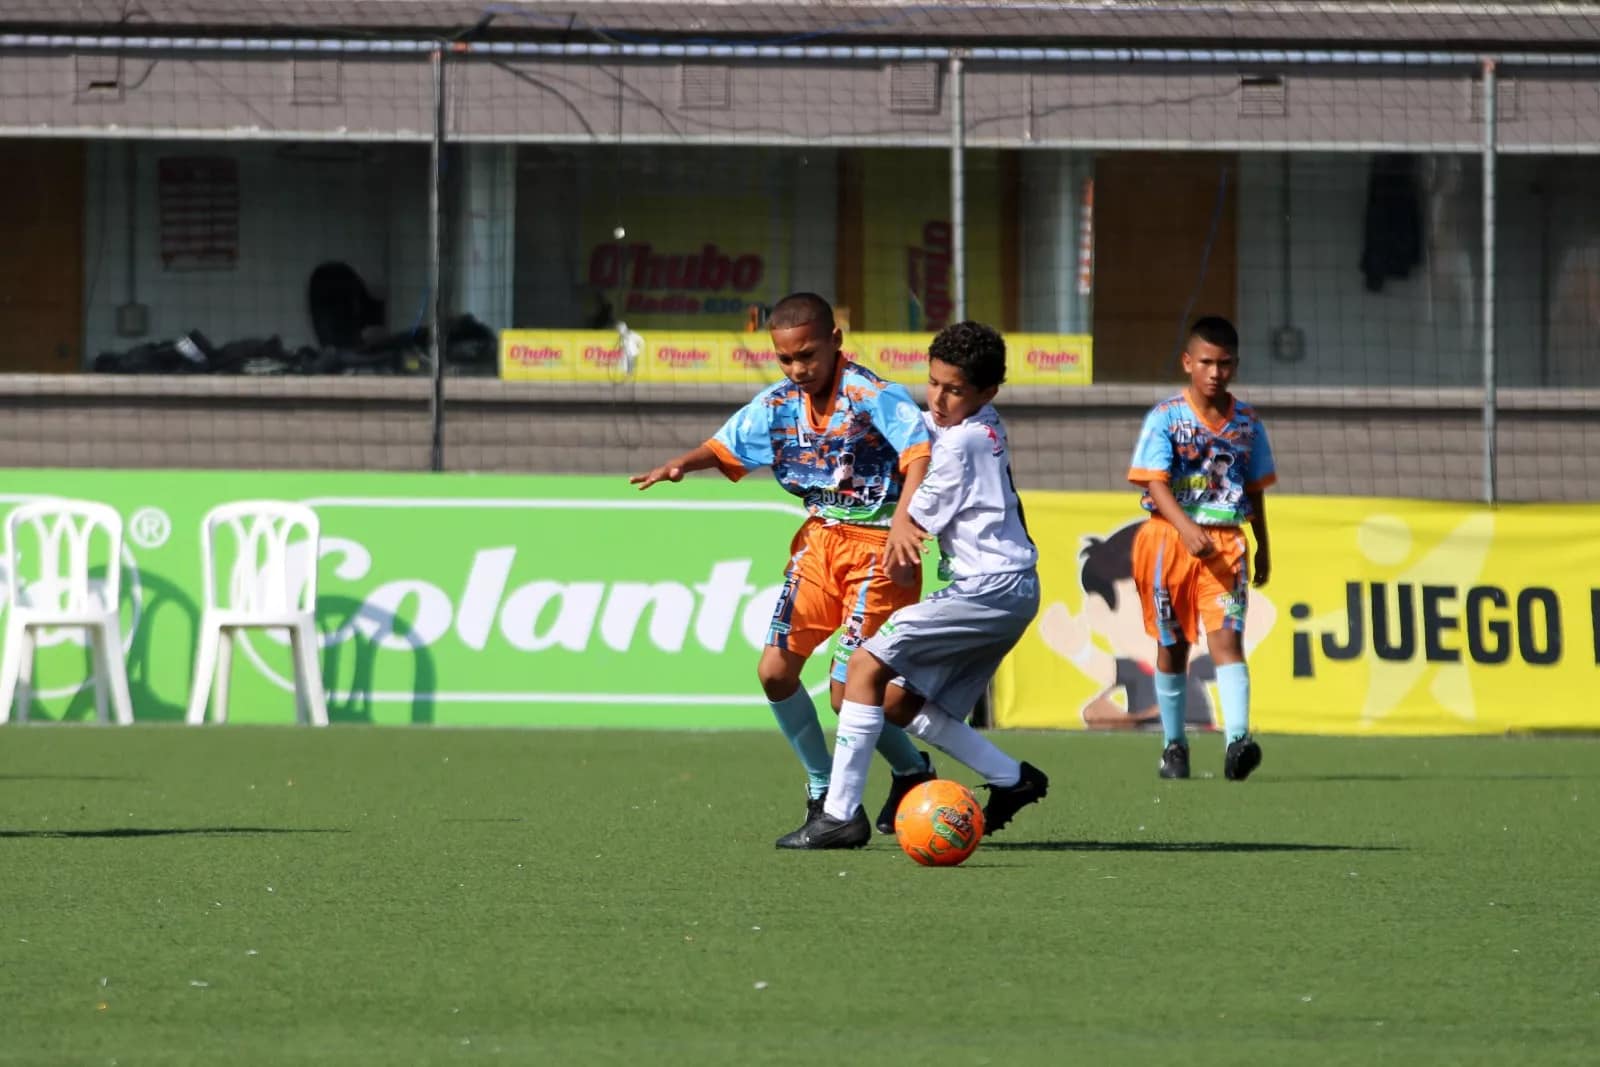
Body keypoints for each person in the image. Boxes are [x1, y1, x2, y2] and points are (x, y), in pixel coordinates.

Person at [631, 292, 939, 843]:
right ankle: (826, 788)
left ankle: (875, 794)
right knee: (774, 672)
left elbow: (919, 451)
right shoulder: (776, 404)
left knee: (849, 695)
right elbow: (726, 446)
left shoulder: (872, 395)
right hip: (820, 543)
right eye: (786, 359)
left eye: (808, 356)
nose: (798, 369)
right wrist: (683, 463)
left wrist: (903, 520)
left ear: (836, 342)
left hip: (879, 549)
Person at [775, 320, 1048, 849]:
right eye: (934, 383)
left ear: (987, 392)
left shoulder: (961, 444)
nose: (940, 398)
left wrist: (891, 522)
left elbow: (912, 522)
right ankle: (1013, 781)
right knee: (898, 703)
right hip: (1007, 589)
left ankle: (839, 814)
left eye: (955, 389)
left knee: (862, 667)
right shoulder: (977, 423)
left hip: (989, 588)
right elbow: (915, 426)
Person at [1126, 315, 1275, 781]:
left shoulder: (1248, 423)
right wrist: (1185, 526)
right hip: (1167, 541)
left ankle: (1238, 741)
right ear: (1188, 362)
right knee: (1172, 645)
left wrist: (1264, 543)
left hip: (1226, 543)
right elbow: (1154, 479)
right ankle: (1174, 745)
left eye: (1225, 363)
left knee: (1227, 639)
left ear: (1235, 365)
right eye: (1206, 362)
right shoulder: (1166, 417)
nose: (1216, 372)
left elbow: (1253, 489)